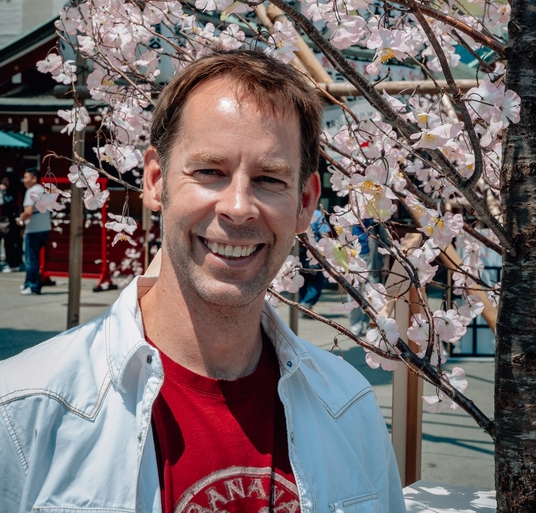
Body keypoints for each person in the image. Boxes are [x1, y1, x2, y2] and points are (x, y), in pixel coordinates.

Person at [0, 50, 405, 513]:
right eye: (210, 172)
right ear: (156, 181)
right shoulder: (23, 409)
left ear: (306, 202)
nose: (238, 207)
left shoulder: (350, 407)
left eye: (270, 179)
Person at [17, 167, 51, 295]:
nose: (24, 180)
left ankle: (33, 286)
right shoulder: (43, 190)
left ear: (34, 178)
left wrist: (20, 221)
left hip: (34, 229)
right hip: (44, 228)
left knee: (31, 259)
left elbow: (28, 212)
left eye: (26, 177)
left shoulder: (31, 191)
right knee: (33, 258)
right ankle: (28, 283)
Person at [0, 171, 23, 272]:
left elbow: (7, 203)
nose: (4, 181)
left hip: (11, 221)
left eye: (6, 180)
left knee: (10, 243)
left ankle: (13, 264)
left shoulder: (14, 192)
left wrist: (3, 192)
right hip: (5, 220)